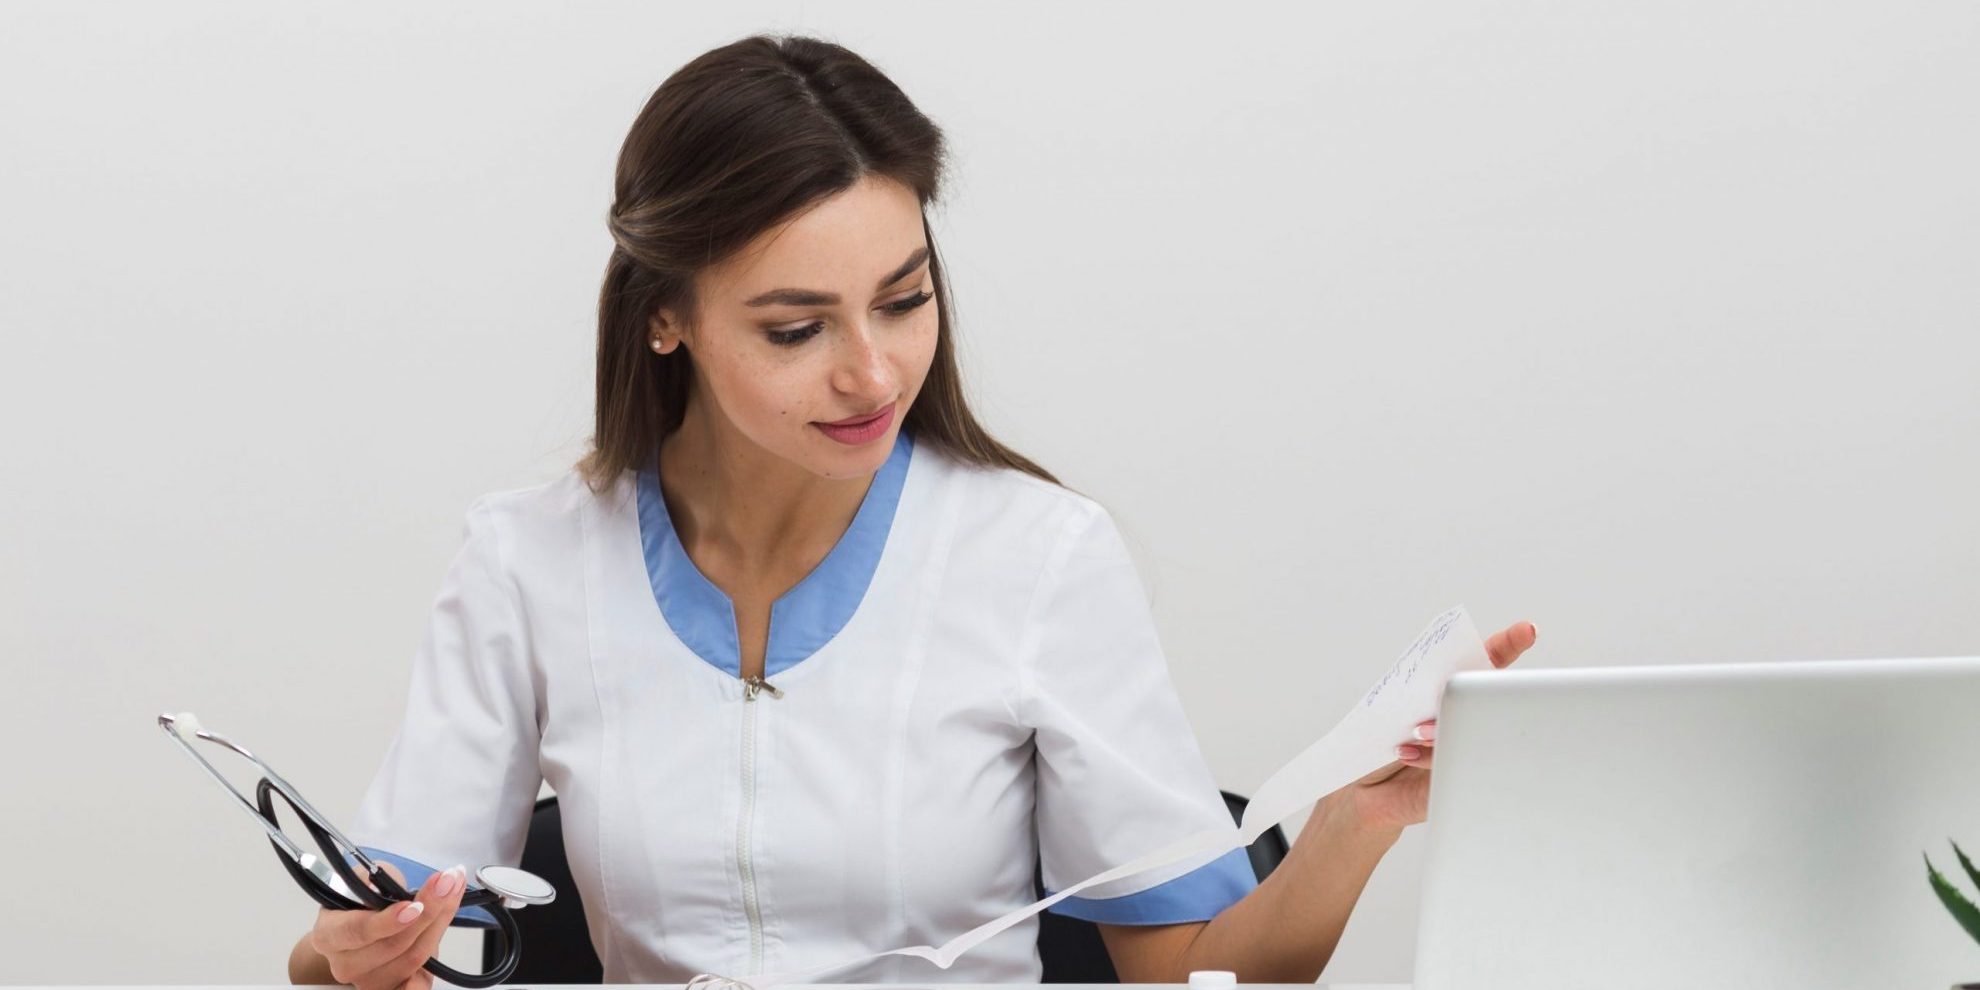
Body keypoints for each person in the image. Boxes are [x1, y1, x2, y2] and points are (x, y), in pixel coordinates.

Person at [286, 33, 1537, 990]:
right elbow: (362, 935)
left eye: (904, 299)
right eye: (796, 328)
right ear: (666, 318)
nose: (874, 373)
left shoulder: (1039, 558)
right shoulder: (529, 560)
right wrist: (351, 952)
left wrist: (1351, 826)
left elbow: (1196, 968)